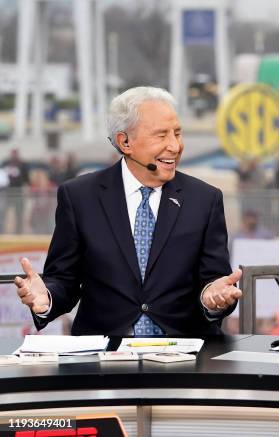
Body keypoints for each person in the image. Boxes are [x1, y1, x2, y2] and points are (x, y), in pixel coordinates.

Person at [14, 86, 242, 336]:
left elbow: (215, 282)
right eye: (161, 135)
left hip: (184, 357)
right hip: (104, 357)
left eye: (177, 133)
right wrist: (46, 298)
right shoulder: (79, 196)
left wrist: (213, 299)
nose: (175, 146)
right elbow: (64, 279)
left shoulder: (205, 199)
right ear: (125, 142)